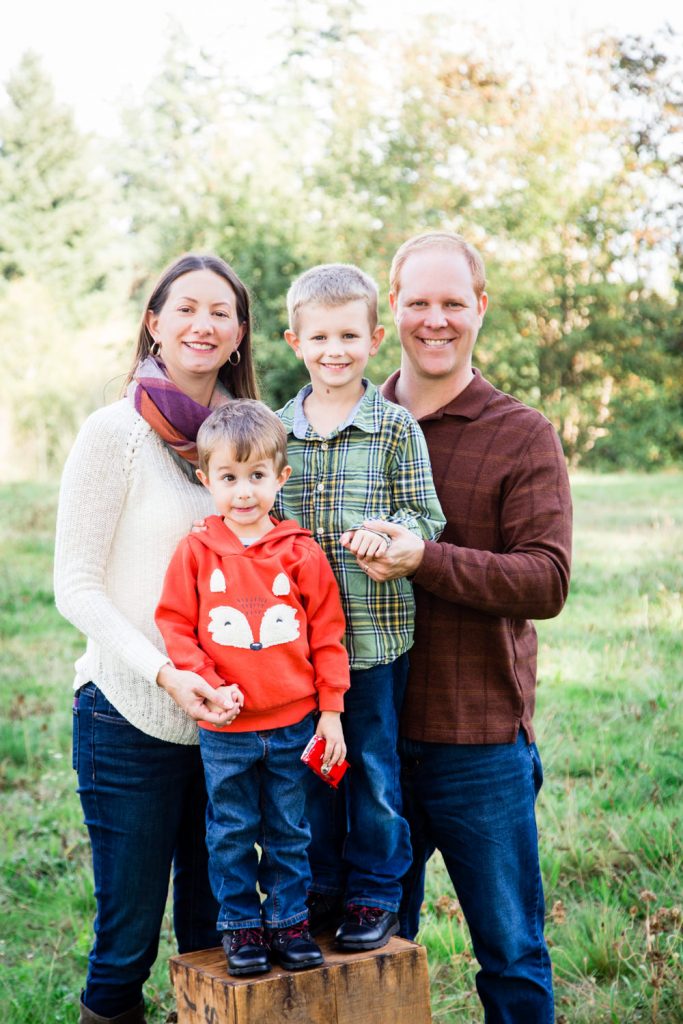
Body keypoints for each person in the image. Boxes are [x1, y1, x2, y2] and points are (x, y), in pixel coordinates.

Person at [354, 231, 572, 1021]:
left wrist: (425, 559)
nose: (434, 319)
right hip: (368, 743)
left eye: (452, 302)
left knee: (510, 956)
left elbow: (545, 579)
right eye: (417, 302)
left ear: (480, 307)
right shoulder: (347, 423)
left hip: (478, 743)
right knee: (369, 960)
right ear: (392, 308)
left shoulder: (521, 433)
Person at [54, 253, 260, 1024]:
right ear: (154, 323)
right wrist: (163, 671)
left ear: (238, 334)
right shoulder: (115, 433)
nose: (203, 325)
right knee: (127, 942)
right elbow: (76, 585)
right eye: (186, 309)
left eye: (220, 312)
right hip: (127, 716)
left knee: (218, 938)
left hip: (229, 725)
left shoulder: (251, 440)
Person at [275, 263, 446, 951]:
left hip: (373, 640)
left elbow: (424, 515)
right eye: (319, 337)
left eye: (349, 335)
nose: (334, 350)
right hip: (295, 651)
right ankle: (322, 885)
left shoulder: (395, 428)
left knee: (372, 769)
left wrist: (389, 536)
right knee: (315, 770)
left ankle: (374, 891)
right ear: (295, 342)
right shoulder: (276, 432)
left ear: (375, 338)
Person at [155, 400, 350, 977]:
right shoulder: (196, 552)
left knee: (289, 830)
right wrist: (211, 685)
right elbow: (176, 626)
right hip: (225, 729)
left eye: (257, 475)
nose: (244, 492)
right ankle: (241, 927)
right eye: (229, 477)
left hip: (293, 725)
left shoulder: (300, 553)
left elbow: (327, 636)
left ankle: (288, 922)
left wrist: (331, 711)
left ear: (280, 477)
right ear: (206, 480)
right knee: (232, 830)